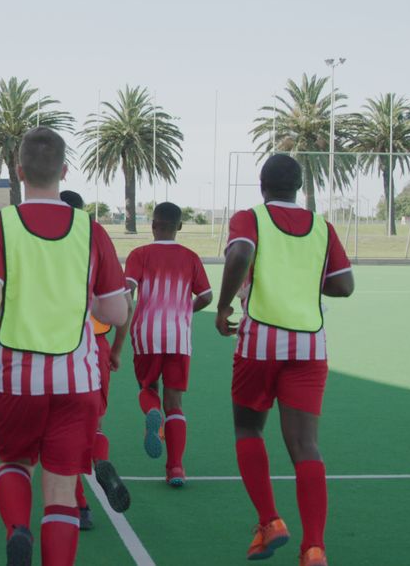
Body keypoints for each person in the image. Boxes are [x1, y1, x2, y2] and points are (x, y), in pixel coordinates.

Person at [0, 128, 129, 566]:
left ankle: (18, 528)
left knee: (14, 463)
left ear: (19, 172)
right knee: (61, 491)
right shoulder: (90, 230)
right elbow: (116, 312)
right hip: (77, 380)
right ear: (64, 171)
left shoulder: (1, 226)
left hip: (16, 379)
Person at [216, 154, 354, 566]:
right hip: (310, 345)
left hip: (260, 340)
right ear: (298, 188)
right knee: (305, 444)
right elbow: (343, 285)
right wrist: (303, 281)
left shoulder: (251, 218)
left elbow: (240, 251)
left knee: (248, 428)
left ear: (263, 185)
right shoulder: (322, 227)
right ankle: (314, 547)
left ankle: (270, 521)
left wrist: (224, 306)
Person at [118, 202, 212, 487]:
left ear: (153, 225)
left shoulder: (139, 254)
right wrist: (185, 310)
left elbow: (127, 291)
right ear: (179, 227)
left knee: (148, 389)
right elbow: (206, 296)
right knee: (176, 404)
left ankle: (151, 412)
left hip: (146, 334)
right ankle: (176, 469)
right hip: (178, 337)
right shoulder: (191, 257)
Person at [58, 189, 130, 530]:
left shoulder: (44, 243)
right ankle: (100, 460)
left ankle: (80, 506)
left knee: (60, 431)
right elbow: (122, 306)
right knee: (93, 422)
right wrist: (116, 349)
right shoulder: (97, 238)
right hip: (96, 345)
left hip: (57, 342)